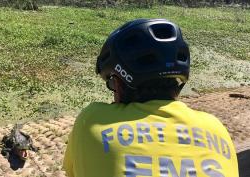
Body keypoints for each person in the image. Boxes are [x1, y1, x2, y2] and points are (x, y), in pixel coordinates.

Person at [63, 19, 239, 177]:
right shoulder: (216, 129)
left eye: (111, 84)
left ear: (118, 84)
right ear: (177, 83)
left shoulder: (92, 121)